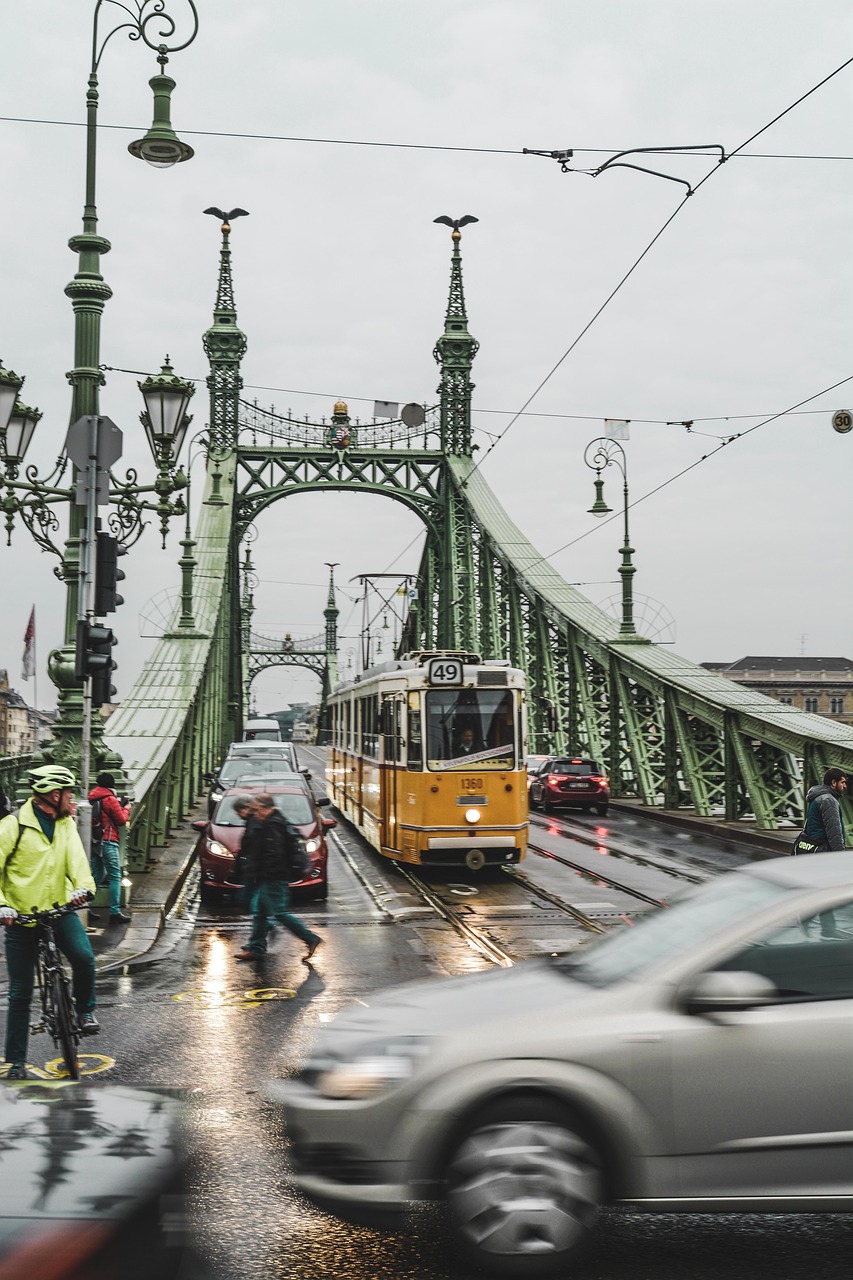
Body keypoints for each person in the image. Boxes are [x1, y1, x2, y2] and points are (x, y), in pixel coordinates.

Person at [0, 765, 99, 1081]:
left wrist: (84, 887)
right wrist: (2, 905)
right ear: (55, 795)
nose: (73, 799)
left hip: (59, 909)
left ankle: (84, 1012)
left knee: (84, 958)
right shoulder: (13, 825)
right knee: (20, 993)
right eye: (70, 793)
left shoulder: (66, 823)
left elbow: (77, 861)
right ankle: (16, 1062)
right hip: (21, 918)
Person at [235, 793, 322, 963]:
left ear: (266, 808)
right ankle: (256, 948)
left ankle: (310, 938)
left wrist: (259, 873)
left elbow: (273, 855)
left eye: (257, 809)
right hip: (266, 877)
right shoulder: (268, 822)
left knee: (279, 912)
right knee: (260, 913)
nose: (255, 813)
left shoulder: (273, 825)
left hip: (273, 877)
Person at [87, 772, 131, 924]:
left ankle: (86, 907)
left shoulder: (92, 798)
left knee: (96, 875)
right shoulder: (110, 799)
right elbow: (121, 820)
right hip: (108, 840)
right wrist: (126, 808)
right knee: (114, 876)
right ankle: (114, 912)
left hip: (95, 841)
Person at [804, 767, 847, 851]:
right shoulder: (828, 800)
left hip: (814, 847)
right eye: (842, 782)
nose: (845, 786)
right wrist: (840, 854)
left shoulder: (817, 797)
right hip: (823, 849)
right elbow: (834, 832)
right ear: (834, 783)